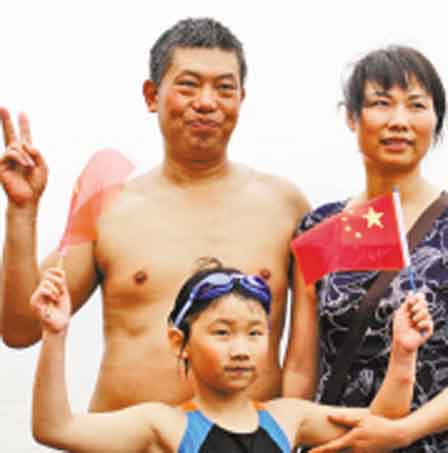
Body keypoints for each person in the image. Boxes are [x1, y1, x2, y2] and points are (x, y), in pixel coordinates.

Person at [0, 18, 309, 410]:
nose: (207, 102)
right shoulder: (109, 207)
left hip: (245, 435)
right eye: (189, 85)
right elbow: (20, 328)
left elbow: (311, 351)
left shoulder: (285, 206)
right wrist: (22, 212)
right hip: (125, 436)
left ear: (241, 99)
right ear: (152, 95)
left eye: (224, 88)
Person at [31, 260, 432, 452]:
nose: (241, 350)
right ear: (179, 341)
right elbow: (55, 429)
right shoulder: (163, 426)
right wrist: (55, 335)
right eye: (222, 333)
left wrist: (403, 352)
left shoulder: (287, 419)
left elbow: (384, 421)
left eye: (255, 333)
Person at [283, 45, 448, 451]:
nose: (399, 121)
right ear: (352, 117)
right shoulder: (321, 227)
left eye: (416, 105)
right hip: (336, 444)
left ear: (436, 120)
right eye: (381, 103)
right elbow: (301, 365)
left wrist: (402, 432)